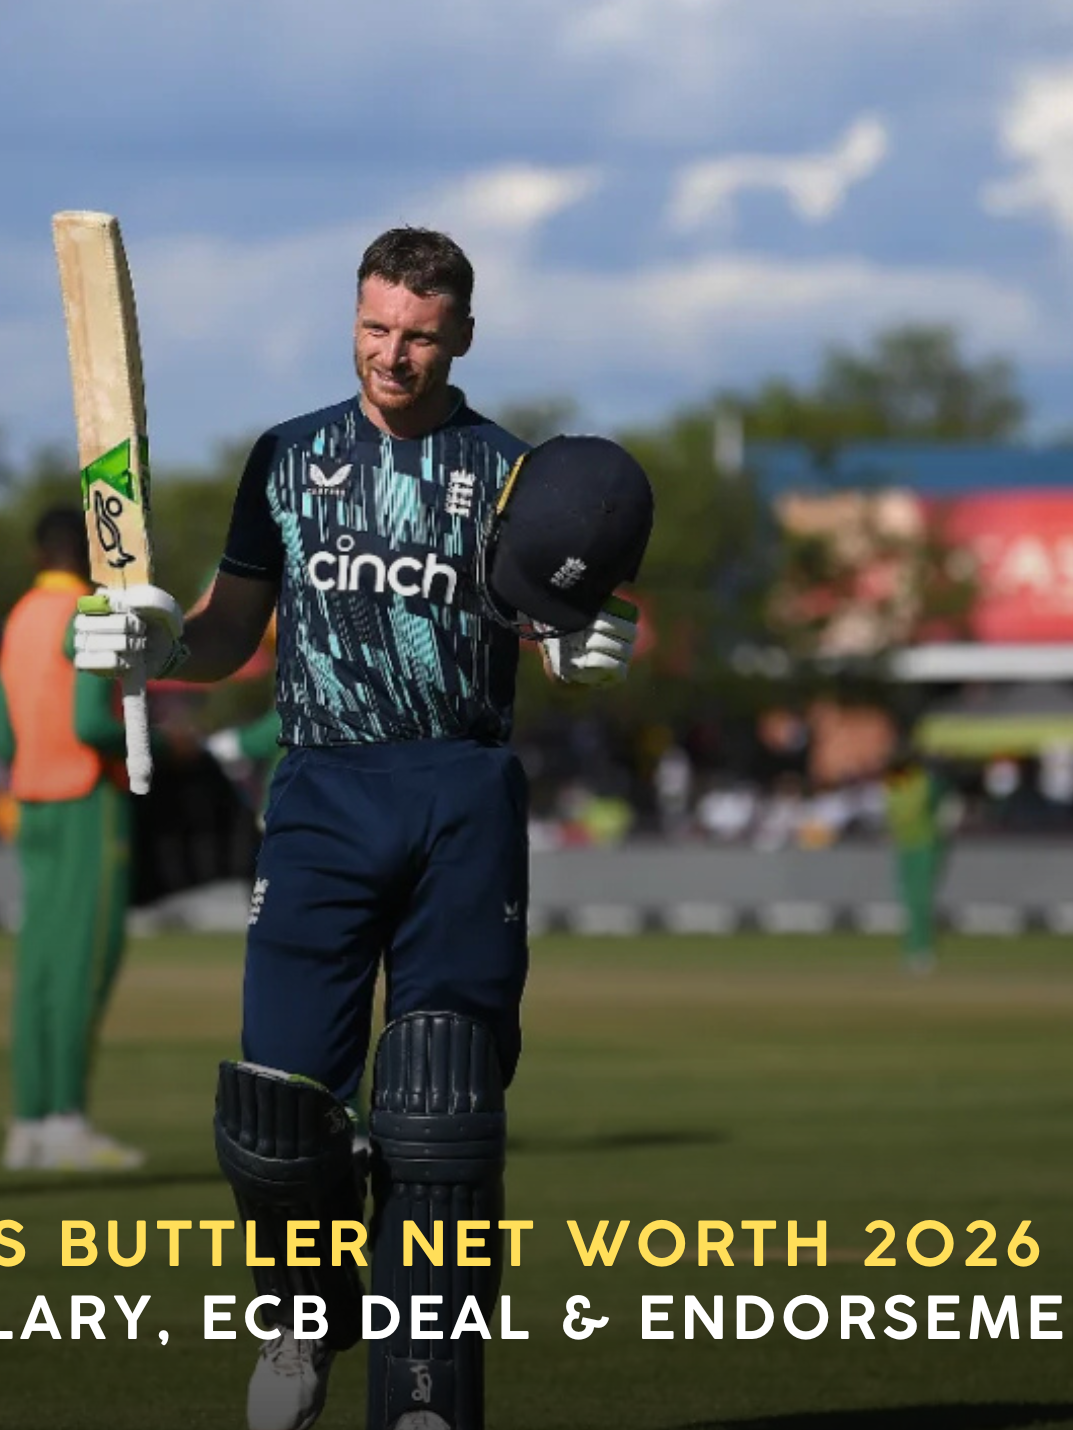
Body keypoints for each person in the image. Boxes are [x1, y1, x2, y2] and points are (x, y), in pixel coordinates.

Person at [74, 226, 650, 1430]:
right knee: (279, 1101)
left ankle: (428, 1385)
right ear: (353, 318)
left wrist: (594, 648)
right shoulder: (283, 457)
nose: (395, 354)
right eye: (377, 327)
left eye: (422, 334)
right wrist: (159, 643)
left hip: (462, 791)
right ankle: (301, 1311)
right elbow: (232, 629)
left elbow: (554, 627)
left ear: (464, 338)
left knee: (440, 1102)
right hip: (322, 791)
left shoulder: (509, 471)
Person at [0, 506, 142, 1173]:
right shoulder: (95, 610)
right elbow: (92, 724)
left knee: (41, 971)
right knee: (83, 965)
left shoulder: (20, 617)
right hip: (87, 801)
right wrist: (165, 745)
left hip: (33, 803)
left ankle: (29, 1125)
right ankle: (67, 1123)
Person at [882, 747, 954, 974]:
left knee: (920, 900)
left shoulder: (925, 782)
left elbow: (935, 804)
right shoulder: (897, 781)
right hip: (906, 845)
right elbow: (895, 810)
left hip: (926, 844)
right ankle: (913, 950)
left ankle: (922, 952)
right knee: (911, 900)